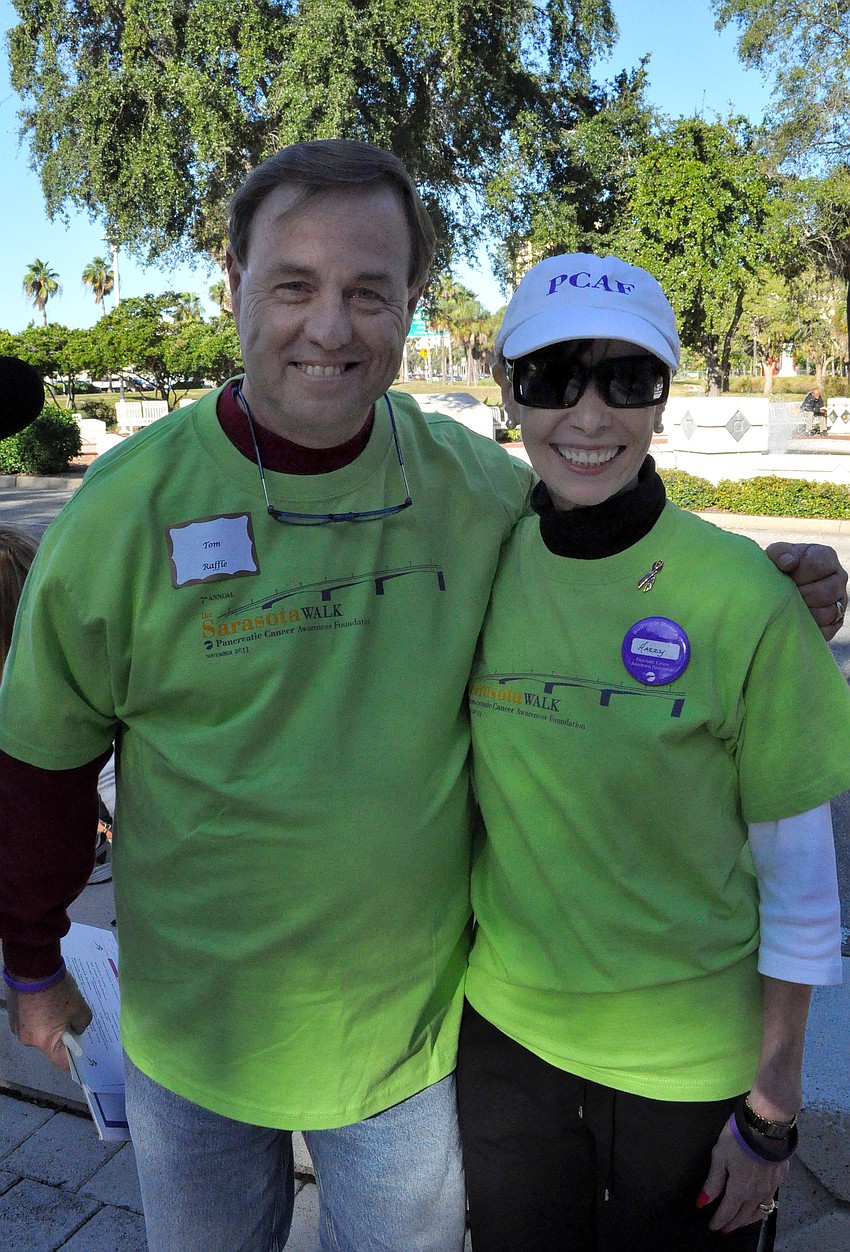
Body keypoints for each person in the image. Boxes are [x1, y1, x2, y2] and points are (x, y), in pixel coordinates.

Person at [0, 147, 845, 1252]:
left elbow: (601, 521)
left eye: (368, 292)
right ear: (232, 283)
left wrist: (766, 581)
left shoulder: (474, 487)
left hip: (406, 1041)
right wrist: (29, 957)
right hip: (191, 1038)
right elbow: (42, 761)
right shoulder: (118, 514)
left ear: (410, 304)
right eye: (293, 285)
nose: (330, 328)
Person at [456, 253, 850, 1252]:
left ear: (660, 398)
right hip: (508, 1046)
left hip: (690, 1068)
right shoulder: (479, 559)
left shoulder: (739, 593)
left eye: (625, 378)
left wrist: (771, 1110)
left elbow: (800, 883)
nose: (587, 416)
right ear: (508, 393)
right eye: (551, 378)